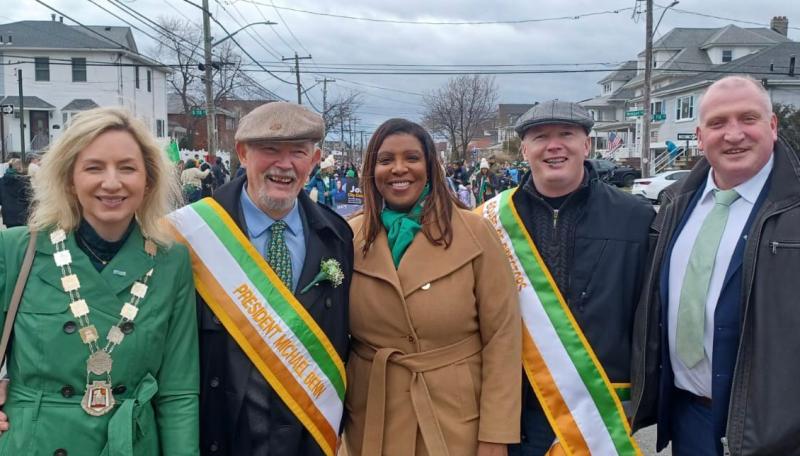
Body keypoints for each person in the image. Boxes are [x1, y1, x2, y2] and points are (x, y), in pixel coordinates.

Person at [0, 107, 198, 454]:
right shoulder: (17, 249)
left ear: (148, 180)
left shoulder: (171, 262)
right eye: (94, 168)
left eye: (127, 168)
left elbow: (178, 393)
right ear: (69, 179)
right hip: (33, 442)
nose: (111, 182)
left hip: (129, 444)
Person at [168, 101, 353, 456]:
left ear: (314, 162)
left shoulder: (338, 236)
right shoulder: (189, 234)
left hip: (305, 436)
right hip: (219, 433)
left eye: (298, 152)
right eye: (269, 150)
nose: (284, 165)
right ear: (242, 154)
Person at [631, 76, 800, 455]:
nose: (734, 134)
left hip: (778, 432)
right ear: (700, 134)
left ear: (772, 126)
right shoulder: (674, 206)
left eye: (748, 118)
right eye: (718, 123)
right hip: (690, 418)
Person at [345, 118, 521, 456]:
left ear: (430, 166)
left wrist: (496, 435)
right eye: (385, 160)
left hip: (454, 420)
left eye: (412, 158)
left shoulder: (476, 233)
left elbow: (503, 339)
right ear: (371, 170)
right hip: (373, 417)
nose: (399, 169)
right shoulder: (348, 238)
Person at [493, 100, 653, 455]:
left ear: (587, 145)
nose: (554, 146)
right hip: (516, 407)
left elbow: (649, 314)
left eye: (566, 134)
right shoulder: (489, 223)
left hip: (600, 404)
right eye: (540, 137)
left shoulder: (637, 218)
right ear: (524, 149)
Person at [0, 159, 32, 227]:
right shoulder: (24, 180)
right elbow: (30, 198)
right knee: (23, 236)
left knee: (12, 235)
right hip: (22, 214)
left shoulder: (1, 181)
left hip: (8, 215)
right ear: (20, 167)